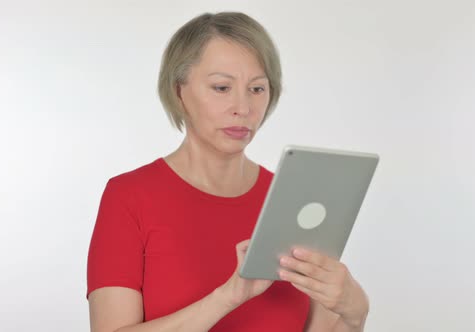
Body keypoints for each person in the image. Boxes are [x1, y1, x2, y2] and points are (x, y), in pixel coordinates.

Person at [86, 11, 370, 332]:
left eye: (257, 89)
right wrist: (227, 297)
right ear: (179, 91)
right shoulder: (129, 197)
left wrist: (354, 313)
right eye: (222, 88)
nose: (243, 107)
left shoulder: (291, 200)